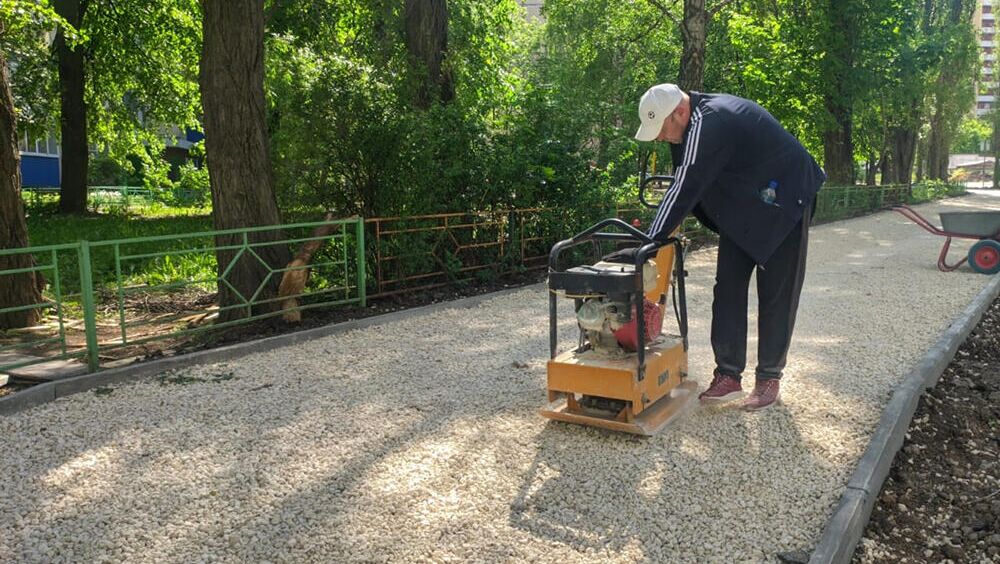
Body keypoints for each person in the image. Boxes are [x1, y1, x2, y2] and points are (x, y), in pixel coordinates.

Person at [617, 83, 825, 410]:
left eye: (661, 129)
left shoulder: (711, 120)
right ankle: (729, 376)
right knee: (727, 286)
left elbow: (685, 185)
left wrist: (645, 244)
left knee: (777, 293)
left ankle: (769, 378)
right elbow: (684, 189)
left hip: (786, 199)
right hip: (745, 206)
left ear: (680, 112)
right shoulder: (683, 131)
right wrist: (656, 245)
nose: (659, 137)